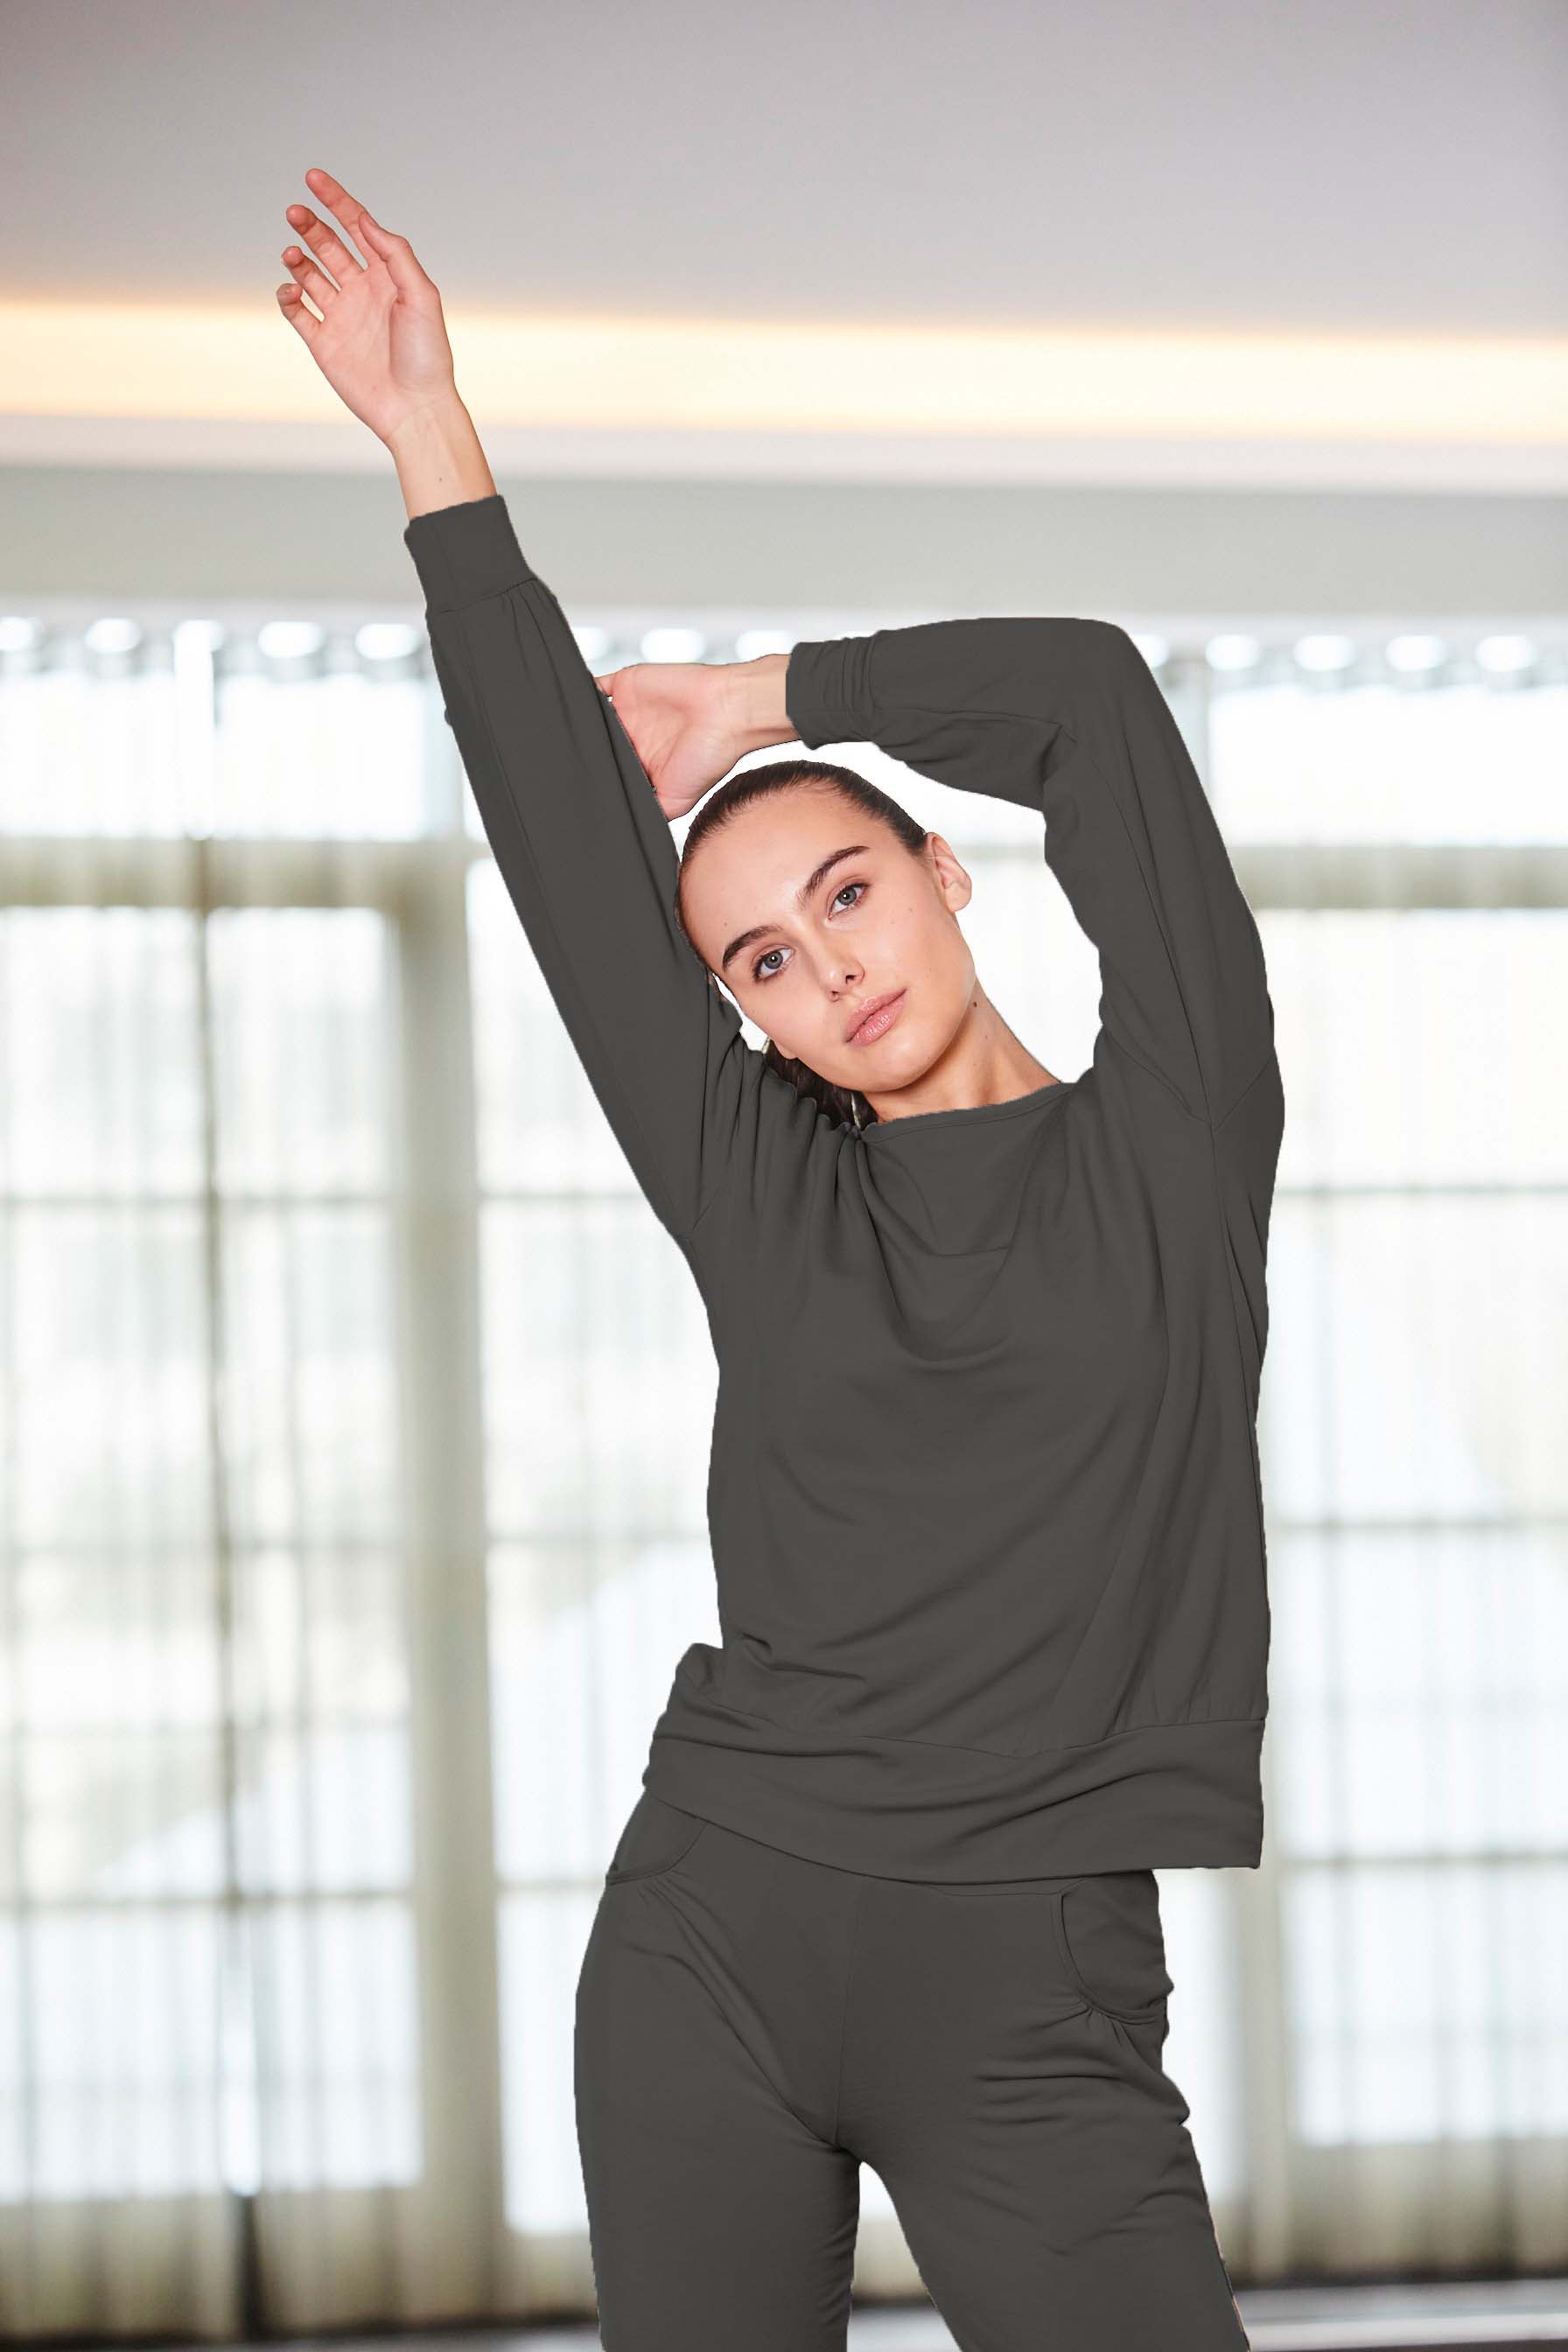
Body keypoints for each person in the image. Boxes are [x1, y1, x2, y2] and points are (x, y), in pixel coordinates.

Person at [276, 167, 1283, 2352]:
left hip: (1028, 1984)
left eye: (844, 894)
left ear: (940, 871)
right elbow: (563, 850)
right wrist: (427, 431)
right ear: (741, 1018)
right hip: (711, 1940)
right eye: (757, 960)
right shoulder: (764, 1189)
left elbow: (1093, 702)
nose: (824, 969)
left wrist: (759, 697)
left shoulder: (1176, 1138)